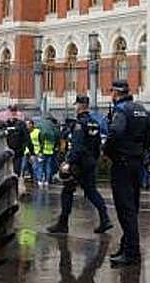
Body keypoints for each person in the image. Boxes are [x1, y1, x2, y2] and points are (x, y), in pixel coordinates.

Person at [47, 95, 113, 235]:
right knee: (91, 191)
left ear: (81, 105)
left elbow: (77, 146)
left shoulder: (79, 124)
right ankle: (105, 218)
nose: (75, 107)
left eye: (76, 104)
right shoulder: (94, 123)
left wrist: (69, 163)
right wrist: (94, 160)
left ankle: (63, 224)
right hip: (90, 162)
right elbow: (96, 146)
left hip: (79, 163)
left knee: (67, 191)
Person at [104, 79, 150, 267]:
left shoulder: (121, 111)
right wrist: (139, 150)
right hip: (136, 163)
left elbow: (114, 133)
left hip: (122, 164)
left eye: (112, 92)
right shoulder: (141, 108)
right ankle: (126, 246)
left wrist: (107, 152)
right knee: (133, 207)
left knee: (126, 210)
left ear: (116, 93)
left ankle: (132, 253)